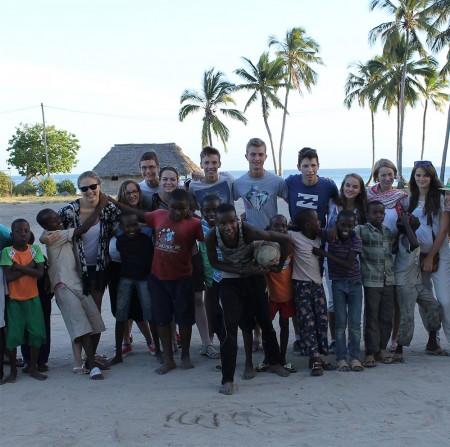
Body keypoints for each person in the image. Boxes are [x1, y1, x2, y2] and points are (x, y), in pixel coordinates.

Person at [111, 188, 204, 374]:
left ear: (189, 209)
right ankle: (168, 359)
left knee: (184, 320)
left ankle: (185, 354)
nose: (177, 212)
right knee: (161, 319)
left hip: (183, 279)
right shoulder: (159, 216)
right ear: (167, 206)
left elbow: (210, 240)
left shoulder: (195, 224)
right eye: (174, 208)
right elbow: (137, 214)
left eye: (182, 209)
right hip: (158, 279)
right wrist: (113, 202)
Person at [205, 203, 291, 395]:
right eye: (222, 223)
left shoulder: (249, 231)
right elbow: (214, 262)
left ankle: (274, 362)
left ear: (238, 219)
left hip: (254, 277)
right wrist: (240, 270)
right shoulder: (211, 236)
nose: (228, 227)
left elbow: (285, 240)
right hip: (230, 280)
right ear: (216, 224)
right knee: (230, 328)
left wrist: (278, 267)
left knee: (265, 321)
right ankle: (227, 379)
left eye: (232, 222)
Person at [48, 171, 120, 368]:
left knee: (94, 312)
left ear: (99, 186)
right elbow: (49, 230)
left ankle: (92, 356)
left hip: (98, 268)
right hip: (75, 269)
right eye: (84, 188)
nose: (89, 191)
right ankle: (79, 359)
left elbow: (123, 221)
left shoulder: (108, 210)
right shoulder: (69, 211)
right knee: (77, 314)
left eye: (93, 187)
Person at [36, 207, 107, 380]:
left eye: (57, 217)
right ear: (46, 226)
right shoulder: (55, 236)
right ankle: (91, 365)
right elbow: (83, 229)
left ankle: (88, 361)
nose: (58, 220)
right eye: (52, 220)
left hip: (77, 283)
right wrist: (99, 208)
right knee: (81, 327)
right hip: (63, 285)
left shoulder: (56, 232)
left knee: (96, 323)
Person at [233, 137, 288, 352]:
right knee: (254, 293)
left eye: (260, 154)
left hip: (271, 244)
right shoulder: (238, 183)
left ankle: (278, 335)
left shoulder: (277, 182)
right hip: (248, 243)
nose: (256, 158)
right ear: (246, 156)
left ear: (266, 156)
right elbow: (227, 203)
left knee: (277, 292)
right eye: (253, 154)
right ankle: (257, 334)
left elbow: (292, 201)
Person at [285, 147, 338, 354]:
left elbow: (340, 205)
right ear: (299, 167)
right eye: (305, 166)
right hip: (295, 244)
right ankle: (300, 337)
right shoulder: (290, 182)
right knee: (296, 293)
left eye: (313, 165)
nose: (310, 169)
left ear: (318, 166)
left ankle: (324, 339)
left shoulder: (328, 186)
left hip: (318, 246)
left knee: (318, 294)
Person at [109, 180, 159, 358]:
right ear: (122, 194)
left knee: (141, 308)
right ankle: (125, 342)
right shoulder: (115, 215)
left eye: (134, 191)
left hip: (142, 269)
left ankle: (151, 341)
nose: (132, 195)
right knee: (122, 309)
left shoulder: (146, 214)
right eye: (127, 192)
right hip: (119, 268)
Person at [313, 210, 364, 372]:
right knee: (340, 323)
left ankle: (354, 357)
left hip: (355, 284)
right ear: (336, 224)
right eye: (342, 224)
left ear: (355, 225)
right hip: (338, 284)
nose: (346, 228)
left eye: (350, 225)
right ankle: (341, 358)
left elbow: (348, 264)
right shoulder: (331, 236)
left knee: (355, 323)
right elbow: (313, 231)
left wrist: (324, 254)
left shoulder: (356, 239)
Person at [366, 159, 409, 352]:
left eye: (390, 174)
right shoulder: (368, 196)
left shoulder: (401, 197)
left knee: (395, 298)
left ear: (395, 175)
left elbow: (407, 222)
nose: (387, 178)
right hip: (373, 254)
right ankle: (374, 342)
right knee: (375, 300)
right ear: (377, 176)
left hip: (395, 252)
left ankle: (394, 337)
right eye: (383, 174)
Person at [407, 161, 450, 347]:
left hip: (439, 253)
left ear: (432, 177)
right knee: (424, 301)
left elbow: (443, 231)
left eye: (425, 175)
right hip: (417, 256)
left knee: (445, 301)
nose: (421, 179)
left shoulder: (441, 199)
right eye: (418, 175)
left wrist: (431, 257)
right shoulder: (409, 199)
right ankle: (433, 340)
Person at [288, 208, 335, 376]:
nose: (320, 222)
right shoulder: (295, 236)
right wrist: (290, 227)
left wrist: (320, 230)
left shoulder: (318, 238)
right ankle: (313, 357)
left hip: (317, 285)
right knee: (307, 322)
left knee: (321, 321)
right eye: (317, 220)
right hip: (301, 285)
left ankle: (319, 356)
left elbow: (332, 234)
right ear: (307, 225)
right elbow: (276, 232)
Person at [0, 219, 47, 383]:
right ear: (12, 235)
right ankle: (13, 371)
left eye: (26, 231)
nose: (23, 234)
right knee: (13, 337)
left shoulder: (34, 250)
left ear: (30, 233)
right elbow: (9, 276)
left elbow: (40, 274)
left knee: (36, 334)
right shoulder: (7, 252)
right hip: (15, 302)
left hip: (33, 300)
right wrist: (30, 267)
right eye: (19, 231)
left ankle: (33, 367)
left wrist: (19, 267)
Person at [393, 214, 443, 363]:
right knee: (407, 317)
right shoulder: (405, 239)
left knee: (434, 306)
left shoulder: (411, 236)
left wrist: (407, 224)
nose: (413, 219)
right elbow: (414, 245)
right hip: (404, 283)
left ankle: (432, 343)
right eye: (409, 219)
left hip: (416, 281)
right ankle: (399, 349)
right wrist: (406, 224)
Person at [107, 213, 154, 366]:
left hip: (144, 279)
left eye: (135, 225)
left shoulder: (146, 239)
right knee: (121, 315)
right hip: (126, 278)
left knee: (149, 314)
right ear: (121, 228)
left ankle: (158, 348)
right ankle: (119, 352)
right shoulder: (120, 240)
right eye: (128, 226)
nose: (133, 228)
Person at [355, 201, 395, 367]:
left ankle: (380, 349)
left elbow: (391, 252)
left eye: (382, 213)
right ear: (367, 214)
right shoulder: (361, 230)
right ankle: (370, 351)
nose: (379, 216)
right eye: (375, 213)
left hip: (388, 279)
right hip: (372, 279)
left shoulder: (387, 231)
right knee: (372, 316)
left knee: (386, 317)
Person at [262, 214, 296, 373]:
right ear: (270, 228)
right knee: (267, 327)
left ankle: (282, 357)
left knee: (284, 325)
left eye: (283, 226)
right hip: (271, 296)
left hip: (287, 295)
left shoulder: (290, 245)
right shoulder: (266, 248)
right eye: (277, 226)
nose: (281, 228)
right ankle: (268, 357)